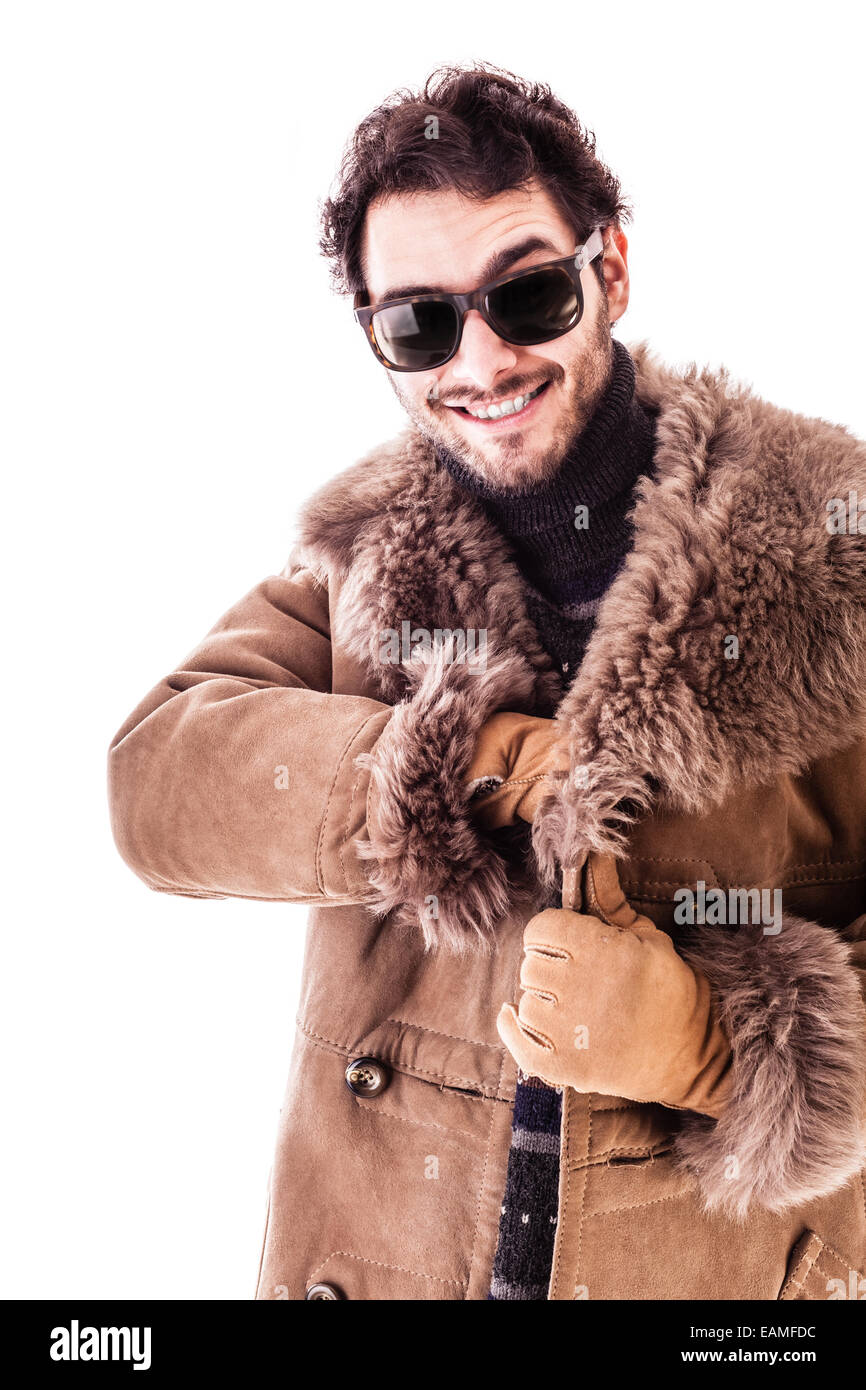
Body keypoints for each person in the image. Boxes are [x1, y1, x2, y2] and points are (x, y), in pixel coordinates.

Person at [108, 64, 866, 1301]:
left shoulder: (830, 549)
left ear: (607, 270)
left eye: (526, 293)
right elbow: (157, 781)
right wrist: (452, 762)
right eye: (418, 323)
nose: (481, 359)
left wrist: (712, 1054)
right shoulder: (365, 557)